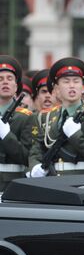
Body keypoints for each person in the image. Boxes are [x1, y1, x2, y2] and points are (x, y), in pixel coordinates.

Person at [29, 57, 84, 176]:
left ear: (82, 88)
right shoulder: (46, 117)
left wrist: (76, 136)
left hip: (81, 181)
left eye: (76, 81)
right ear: (57, 89)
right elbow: (37, 150)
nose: (72, 86)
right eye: (66, 81)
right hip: (53, 182)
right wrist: (35, 166)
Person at [0, 56, 35, 190]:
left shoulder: (26, 117)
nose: (5, 83)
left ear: (16, 86)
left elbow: (27, 157)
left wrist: (7, 136)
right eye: (0, 79)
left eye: (9, 79)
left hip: (13, 183)